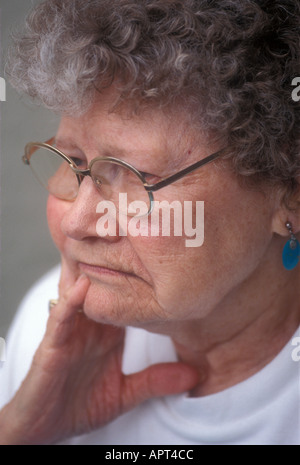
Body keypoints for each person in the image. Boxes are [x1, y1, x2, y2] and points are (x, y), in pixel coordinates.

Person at [0, 0, 299, 445]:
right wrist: (20, 432)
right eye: (74, 160)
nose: (78, 222)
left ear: (289, 194)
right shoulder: (47, 328)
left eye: (139, 179)